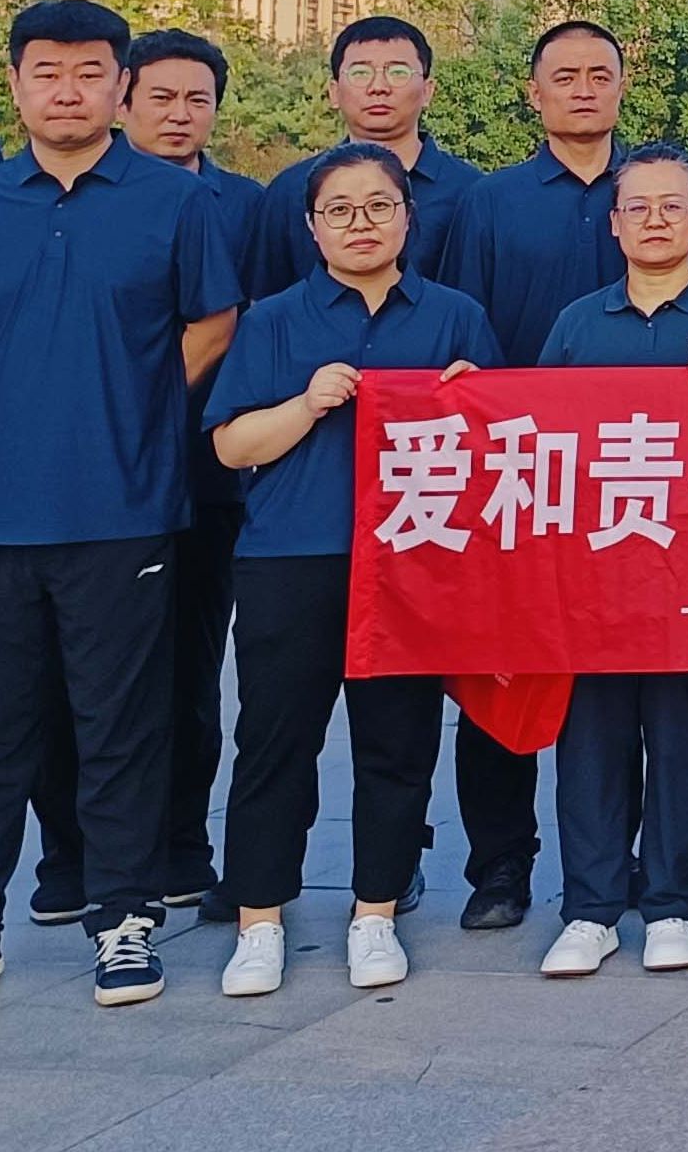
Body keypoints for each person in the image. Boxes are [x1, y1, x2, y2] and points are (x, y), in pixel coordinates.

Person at [0, 0, 244, 1016]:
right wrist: (29, 401)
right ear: (15, 84)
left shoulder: (174, 203)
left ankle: (123, 916)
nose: (69, 90)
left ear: (121, 88)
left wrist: (129, 402)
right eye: (47, 72)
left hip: (124, 507)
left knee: (121, 723)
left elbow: (213, 320)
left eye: (91, 73)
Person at [204, 144, 496, 998]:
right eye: (340, 209)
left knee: (397, 741)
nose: (360, 223)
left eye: (378, 205)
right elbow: (231, 444)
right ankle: (260, 918)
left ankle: (376, 911)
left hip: (412, 562)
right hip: (292, 556)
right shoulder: (274, 319)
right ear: (311, 225)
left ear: (408, 216)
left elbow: (501, 444)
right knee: (273, 740)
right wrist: (305, 403)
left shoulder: (454, 316)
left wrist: (474, 396)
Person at [34, 29, 265, 926]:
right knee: (64, 676)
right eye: (160, 97)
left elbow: (256, 324)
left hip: (202, 475)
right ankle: (69, 853)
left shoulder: (246, 205)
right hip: (77, 479)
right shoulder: (59, 197)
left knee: (186, 672)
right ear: (124, 99)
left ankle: (179, 843)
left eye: (197, 99)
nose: (179, 114)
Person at [534, 144, 688, 978]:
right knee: (591, 744)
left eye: (672, 205)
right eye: (636, 206)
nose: (654, 220)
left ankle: (670, 899)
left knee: (684, 739)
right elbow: (537, 441)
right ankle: (591, 907)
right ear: (613, 223)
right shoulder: (577, 323)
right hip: (595, 578)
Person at [436, 19, 630, 933]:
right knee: (502, 674)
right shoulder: (491, 201)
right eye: (565, 76)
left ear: (622, 85)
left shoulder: (652, 190)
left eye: (599, 73)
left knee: (623, 681)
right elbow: (464, 329)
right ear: (535, 93)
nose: (583, 89)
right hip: (518, 473)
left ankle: (622, 856)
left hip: (632, 477)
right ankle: (500, 865)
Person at [247, 16, 482, 292]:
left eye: (398, 72)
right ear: (334, 92)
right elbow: (263, 300)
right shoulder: (290, 191)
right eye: (360, 73)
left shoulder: (471, 193)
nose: (378, 87)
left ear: (427, 91)